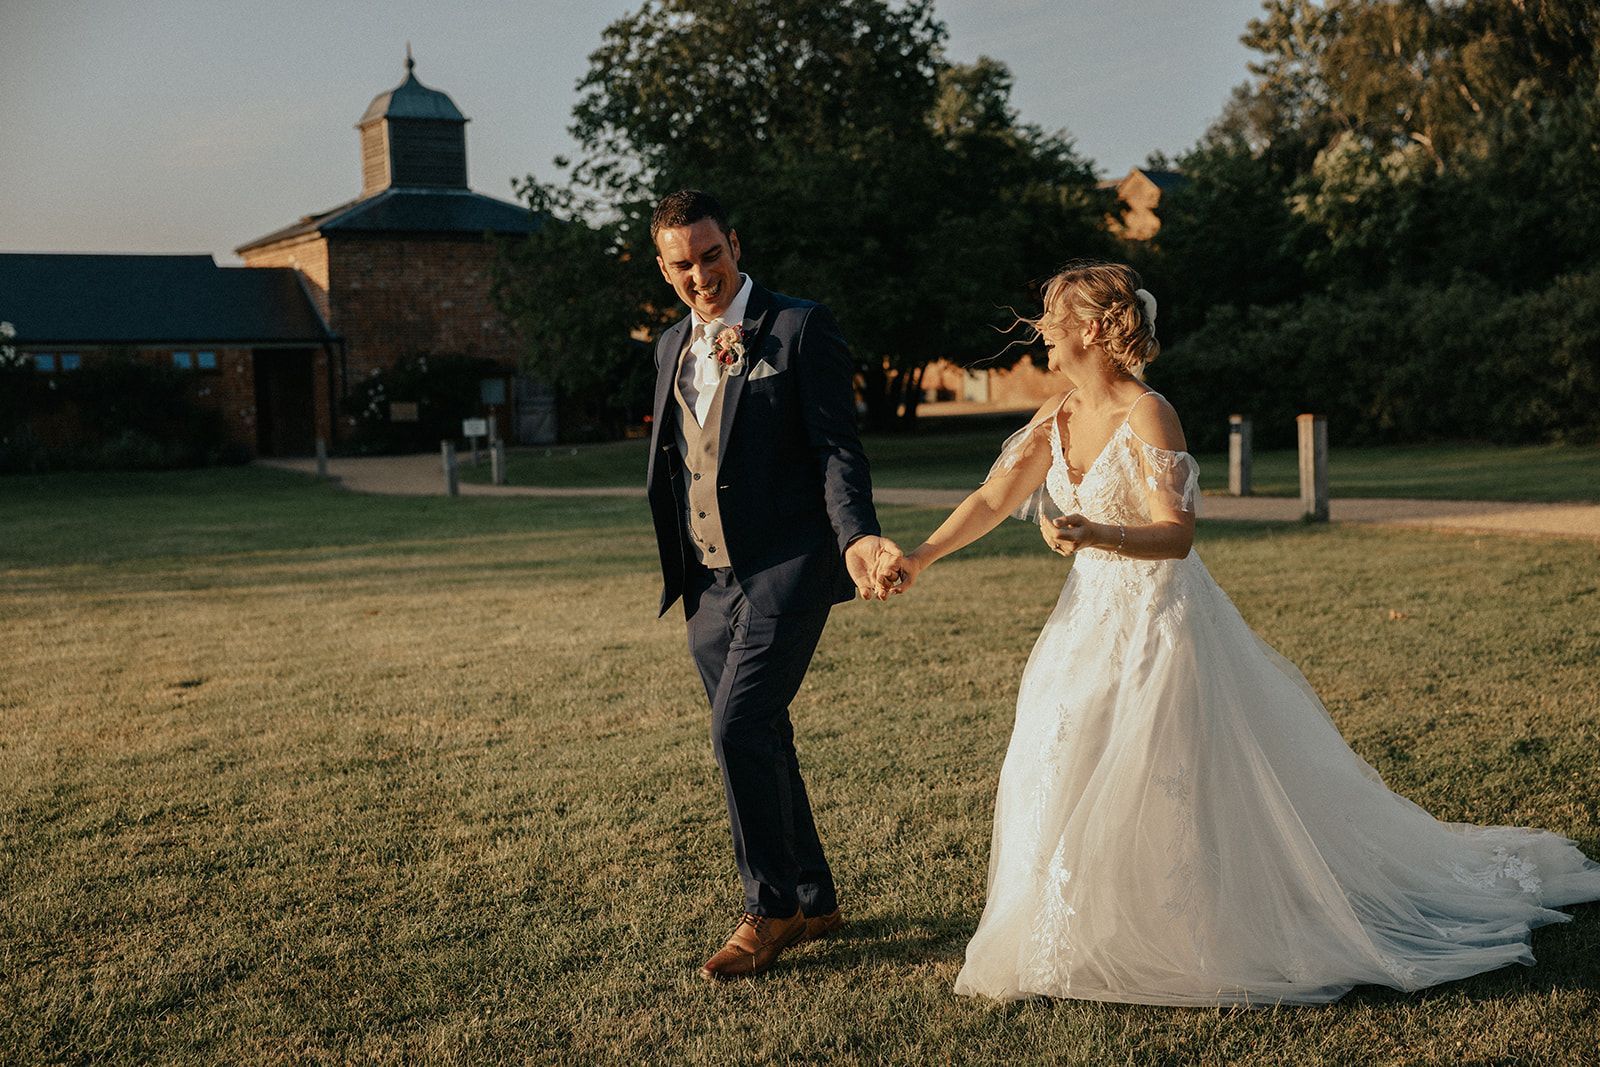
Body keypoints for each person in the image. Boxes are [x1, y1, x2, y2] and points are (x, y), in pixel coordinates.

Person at [880, 260, 1600, 1005]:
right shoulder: (1054, 416)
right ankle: (1073, 930)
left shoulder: (1148, 413)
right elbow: (996, 493)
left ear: (1094, 329)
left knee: (1171, 773)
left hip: (1161, 625)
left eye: (1054, 320)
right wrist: (922, 554)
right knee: (1061, 757)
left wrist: (1097, 529)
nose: (1042, 335)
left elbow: (1177, 534)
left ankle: (1192, 929)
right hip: (1084, 626)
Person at [644, 189, 905, 982]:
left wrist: (856, 534)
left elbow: (837, 448)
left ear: (735, 244)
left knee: (737, 729)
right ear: (663, 267)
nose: (701, 276)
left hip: (785, 567)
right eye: (682, 264)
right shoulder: (669, 346)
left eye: (711, 255)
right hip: (707, 581)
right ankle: (815, 896)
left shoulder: (796, 326)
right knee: (765, 737)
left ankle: (770, 908)